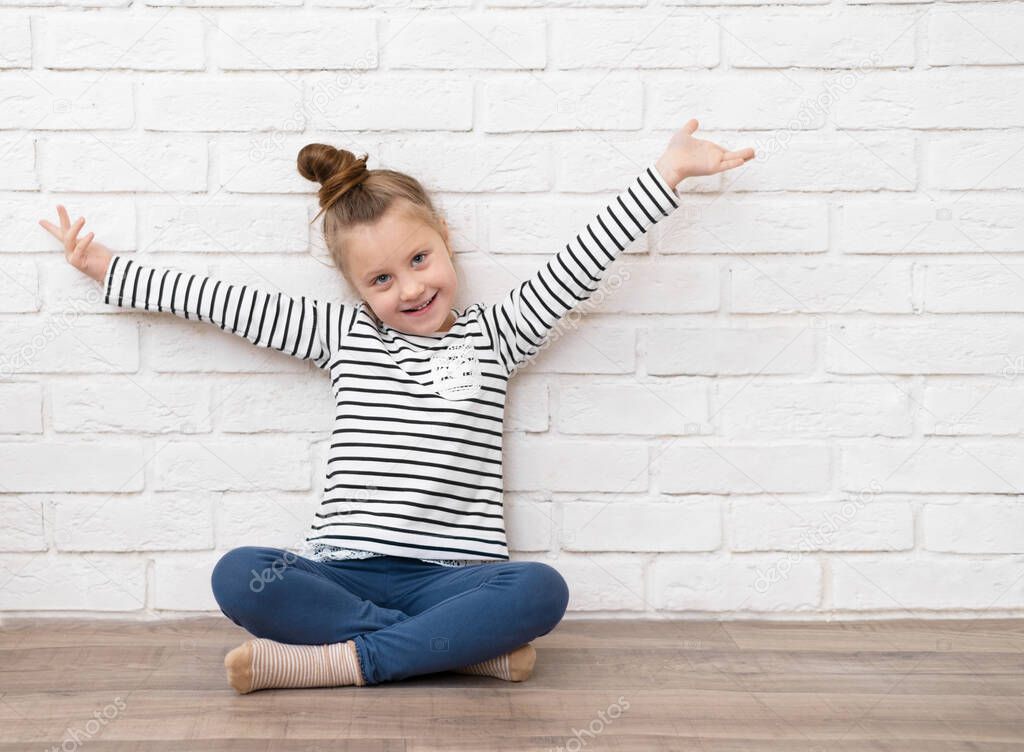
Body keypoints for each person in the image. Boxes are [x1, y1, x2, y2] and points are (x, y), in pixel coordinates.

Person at [39, 118, 754, 693]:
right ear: (356, 291)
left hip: (455, 583)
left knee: (540, 590)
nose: (409, 289)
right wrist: (105, 266)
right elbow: (227, 306)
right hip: (343, 574)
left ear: (446, 243)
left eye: (418, 261)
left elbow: (577, 264)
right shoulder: (343, 336)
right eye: (381, 279)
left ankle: (337, 664)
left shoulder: (497, 335)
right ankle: (458, 657)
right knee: (240, 573)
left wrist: (668, 174)